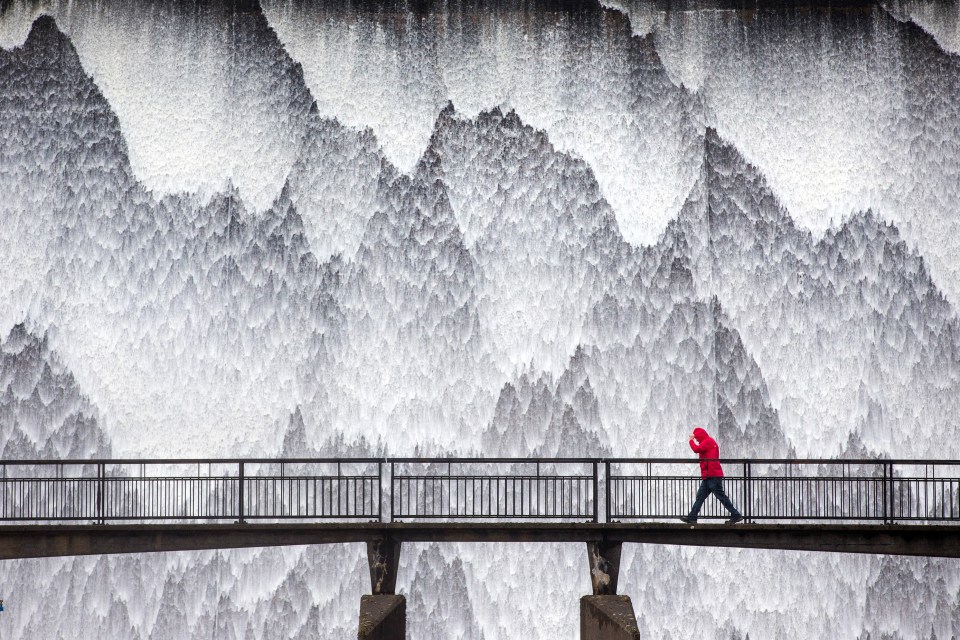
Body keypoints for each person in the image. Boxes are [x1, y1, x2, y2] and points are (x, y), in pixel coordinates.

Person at [680, 427, 744, 525]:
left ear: (700, 436)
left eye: (697, 438)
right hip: (708, 476)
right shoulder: (707, 441)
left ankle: (736, 515)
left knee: (721, 497)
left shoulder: (707, 441)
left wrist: (691, 440)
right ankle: (692, 517)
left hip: (713, 475)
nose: (696, 440)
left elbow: (696, 449)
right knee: (700, 497)